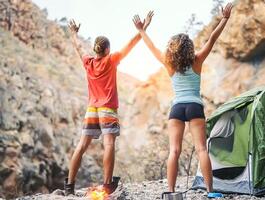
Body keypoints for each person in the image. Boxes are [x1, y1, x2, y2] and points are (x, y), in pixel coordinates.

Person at [133, 4, 233, 198]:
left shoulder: (168, 64)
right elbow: (212, 38)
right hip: (195, 106)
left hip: (177, 108)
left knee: (174, 151)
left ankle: (170, 192)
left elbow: (151, 47)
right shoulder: (197, 60)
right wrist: (224, 19)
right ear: (190, 48)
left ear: (172, 49)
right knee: (202, 149)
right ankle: (211, 192)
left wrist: (142, 30)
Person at [65, 12, 153, 196]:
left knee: (81, 146)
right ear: (106, 50)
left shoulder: (88, 62)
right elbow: (130, 46)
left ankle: (69, 187)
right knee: (109, 144)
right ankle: (107, 184)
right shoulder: (111, 60)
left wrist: (73, 33)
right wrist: (142, 29)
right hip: (107, 109)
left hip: (91, 109)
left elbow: (78, 47)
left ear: (96, 49)